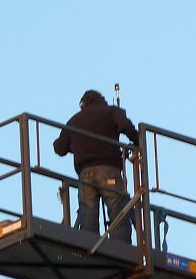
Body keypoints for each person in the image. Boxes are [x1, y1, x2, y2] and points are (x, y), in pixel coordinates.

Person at [53, 89, 139, 242]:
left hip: (85, 174)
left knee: (88, 215)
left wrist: (78, 145)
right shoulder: (111, 111)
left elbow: (59, 148)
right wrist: (138, 141)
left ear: (84, 104)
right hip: (108, 169)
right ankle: (121, 250)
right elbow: (125, 126)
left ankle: (89, 247)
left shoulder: (74, 120)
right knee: (117, 211)